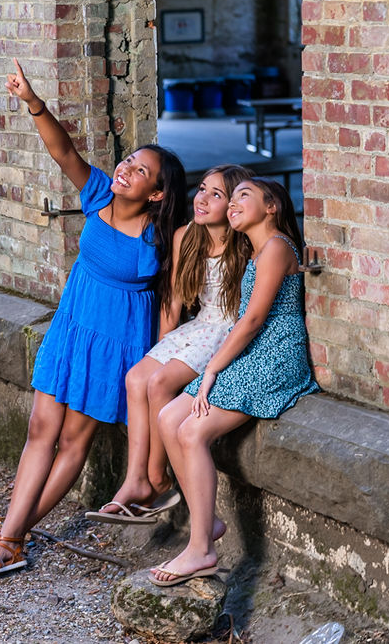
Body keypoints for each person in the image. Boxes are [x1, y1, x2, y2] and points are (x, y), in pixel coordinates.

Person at [0, 58, 188, 578]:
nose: (125, 170)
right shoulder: (95, 197)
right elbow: (62, 149)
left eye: (139, 171)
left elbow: (172, 302)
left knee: (74, 441)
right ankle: (10, 536)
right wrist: (32, 101)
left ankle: (9, 539)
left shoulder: (163, 236)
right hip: (71, 328)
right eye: (127, 161)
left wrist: (162, 365)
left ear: (155, 193)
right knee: (40, 427)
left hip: (117, 342)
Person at [149, 176, 319, 587]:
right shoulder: (257, 249)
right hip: (253, 350)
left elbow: (254, 319)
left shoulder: (277, 247)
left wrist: (211, 370)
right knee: (170, 416)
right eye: (233, 198)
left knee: (192, 432)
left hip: (276, 354)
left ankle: (201, 547)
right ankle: (208, 524)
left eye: (244, 195)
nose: (233, 203)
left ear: (272, 206)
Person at [84, 164, 254, 526]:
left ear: (235, 205)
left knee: (160, 384)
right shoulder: (185, 236)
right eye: (202, 188)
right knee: (136, 378)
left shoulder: (245, 243)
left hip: (225, 331)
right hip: (196, 327)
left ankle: (158, 479)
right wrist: (163, 347)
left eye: (216, 194)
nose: (203, 198)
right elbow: (174, 300)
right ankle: (135, 479)